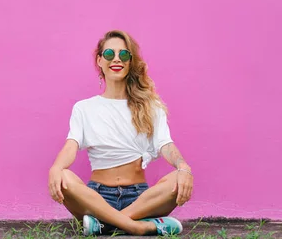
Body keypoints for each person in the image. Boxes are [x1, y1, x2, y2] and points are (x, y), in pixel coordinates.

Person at [48, 30, 194, 236]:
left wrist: (183, 166)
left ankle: (105, 224)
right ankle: (138, 226)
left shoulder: (151, 106)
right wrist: (56, 168)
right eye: (109, 54)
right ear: (100, 60)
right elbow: (71, 144)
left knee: (177, 178)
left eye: (123, 55)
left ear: (130, 61)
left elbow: (165, 144)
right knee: (64, 176)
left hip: (140, 199)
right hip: (97, 196)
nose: (116, 59)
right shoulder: (84, 108)